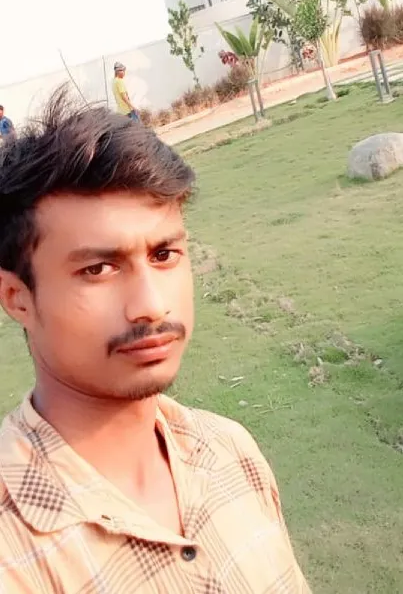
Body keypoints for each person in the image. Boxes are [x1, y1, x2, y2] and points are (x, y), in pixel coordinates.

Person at [0, 89, 310, 593]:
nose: (150, 304)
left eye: (164, 255)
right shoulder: (14, 551)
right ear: (16, 297)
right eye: (98, 268)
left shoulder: (229, 449)